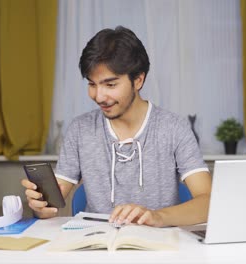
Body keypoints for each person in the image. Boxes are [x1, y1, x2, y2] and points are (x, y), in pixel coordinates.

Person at [22, 26, 212, 227]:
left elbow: (208, 203)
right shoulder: (80, 130)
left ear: (138, 80)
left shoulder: (174, 128)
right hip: (95, 245)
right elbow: (49, 209)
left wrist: (157, 217)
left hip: (158, 248)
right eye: (92, 84)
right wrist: (39, 206)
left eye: (110, 85)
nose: (99, 96)